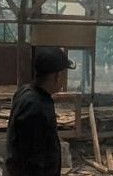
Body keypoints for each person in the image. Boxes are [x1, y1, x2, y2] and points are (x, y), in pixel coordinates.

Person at [6, 47, 75, 176]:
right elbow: (32, 160)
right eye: (64, 74)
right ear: (57, 76)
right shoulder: (35, 108)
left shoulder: (27, 92)